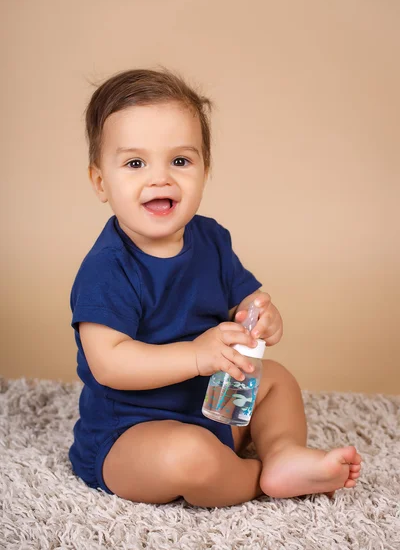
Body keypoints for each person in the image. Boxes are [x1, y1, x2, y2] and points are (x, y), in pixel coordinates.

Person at [69, 68, 362, 508]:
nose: (160, 178)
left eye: (180, 161)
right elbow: (109, 363)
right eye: (135, 163)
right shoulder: (107, 269)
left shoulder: (211, 239)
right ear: (100, 182)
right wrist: (196, 355)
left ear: (205, 170)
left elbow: (240, 302)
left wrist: (259, 314)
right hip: (132, 435)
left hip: (214, 405)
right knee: (191, 458)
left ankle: (282, 452)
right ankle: (258, 477)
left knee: (278, 381)